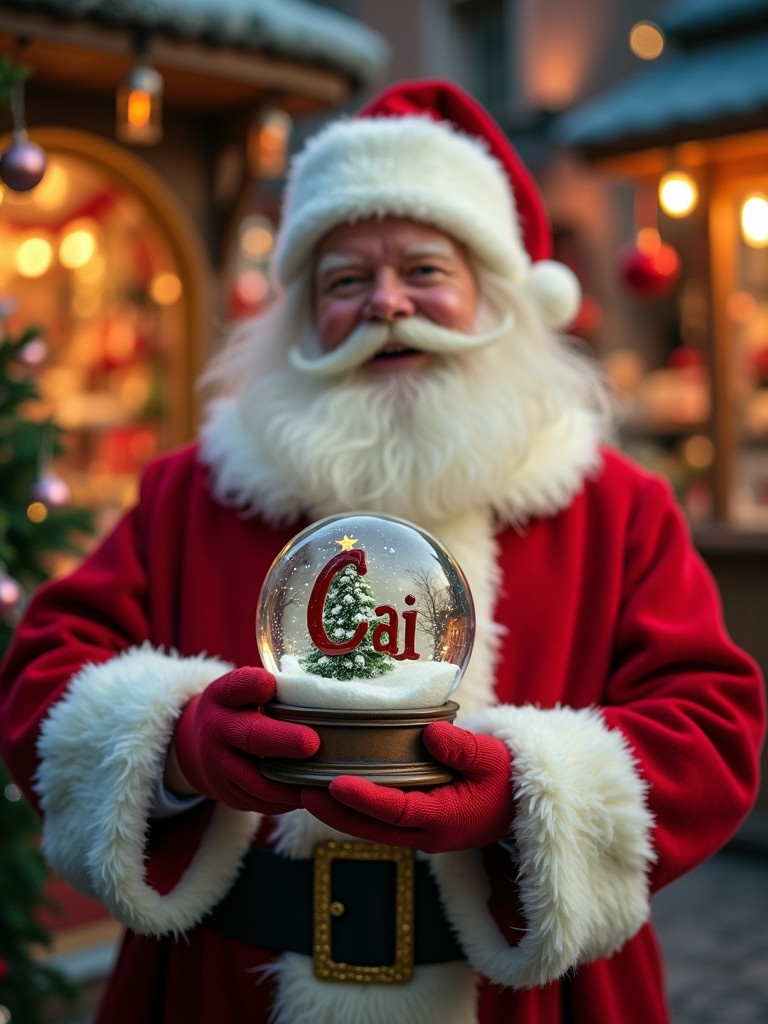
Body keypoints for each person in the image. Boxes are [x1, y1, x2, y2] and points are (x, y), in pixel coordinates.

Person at [0, 79, 764, 1024]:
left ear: (495, 299)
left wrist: (529, 796)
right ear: (301, 318)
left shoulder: (615, 504)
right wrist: (175, 746)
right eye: (345, 280)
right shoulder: (191, 491)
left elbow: (713, 724)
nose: (388, 304)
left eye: (426, 270)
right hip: (226, 981)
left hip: (527, 995)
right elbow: (45, 675)